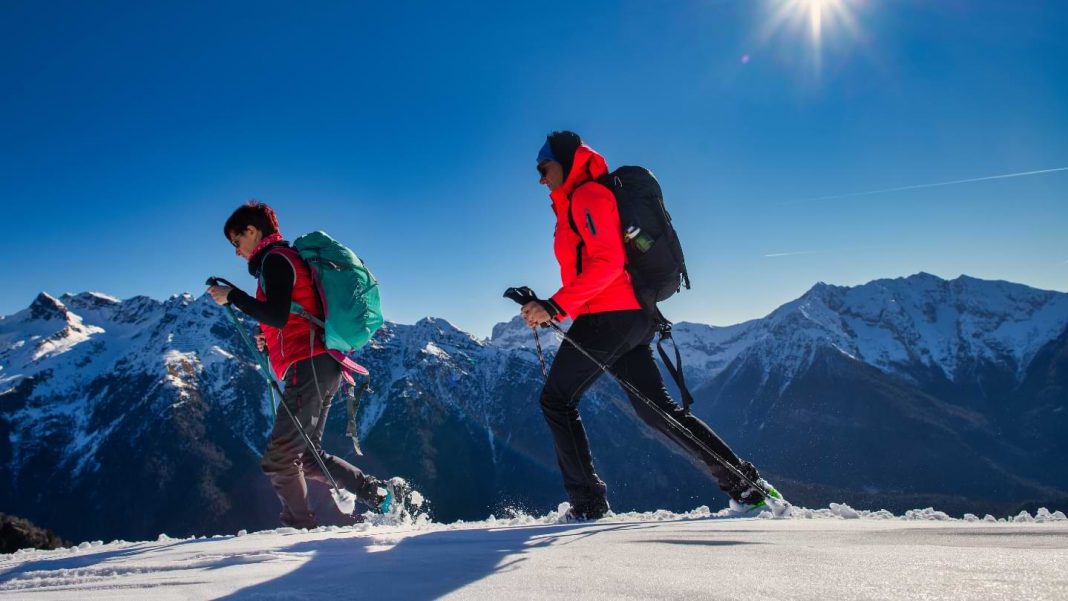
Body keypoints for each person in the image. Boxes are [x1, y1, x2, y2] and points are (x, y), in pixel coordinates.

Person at [522, 131, 782, 520]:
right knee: (658, 411)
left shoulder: (587, 196)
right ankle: (747, 485)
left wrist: (556, 306)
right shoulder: (575, 202)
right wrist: (549, 304)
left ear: (565, 162)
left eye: (544, 168)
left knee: (556, 399)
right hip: (628, 317)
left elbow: (608, 263)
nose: (541, 178)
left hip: (609, 317)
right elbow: (595, 265)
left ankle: (588, 504)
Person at [207, 201, 394, 528]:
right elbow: (285, 317)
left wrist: (232, 297)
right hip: (321, 365)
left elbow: (277, 314)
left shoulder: (277, 260)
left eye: (236, 242)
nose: (236, 252)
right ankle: (378, 494)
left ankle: (298, 529)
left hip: (310, 367)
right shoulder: (282, 261)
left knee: (281, 458)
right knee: (306, 456)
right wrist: (268, 336)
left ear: (252, 231)